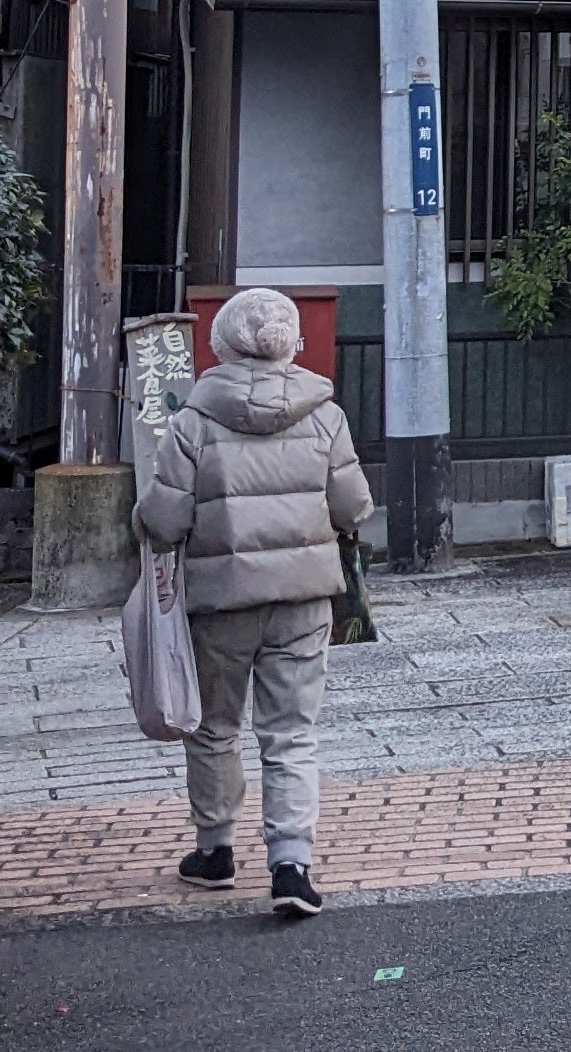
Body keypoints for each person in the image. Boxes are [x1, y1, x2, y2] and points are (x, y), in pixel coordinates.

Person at [134, 287, 371, 918]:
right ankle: (291, 866)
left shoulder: (193, 420)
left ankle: (214, 851)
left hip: (219, 603)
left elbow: (163, 519)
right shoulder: (326, 415)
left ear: (225, 341)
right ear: (289, 340)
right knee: (291, 734)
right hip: (303, 599)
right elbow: (354, 508)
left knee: (214, 728)